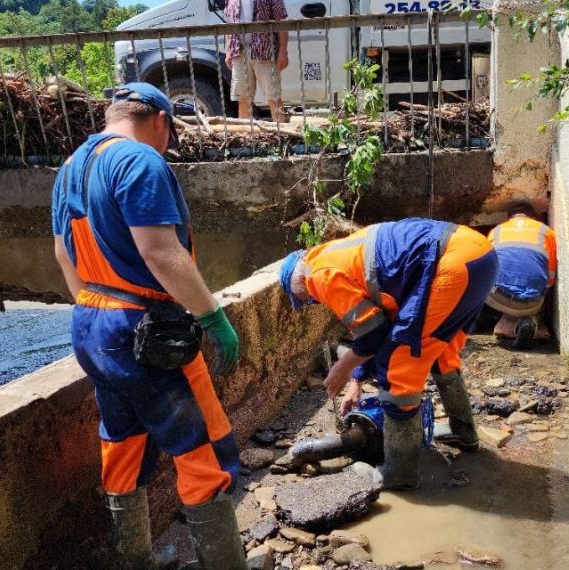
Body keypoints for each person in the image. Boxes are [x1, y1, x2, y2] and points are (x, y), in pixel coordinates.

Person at [51, 82, 245, 569]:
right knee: (203, 447)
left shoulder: (71, 168)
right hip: (145, 331)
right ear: (159, 120)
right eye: (170, 133)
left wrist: (99, 310)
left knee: (123, 442)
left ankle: (135, 560)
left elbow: (62, 253)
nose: (168, 144)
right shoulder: (140, 161)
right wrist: (211, 317)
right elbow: (160, 252)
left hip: (91, 324)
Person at [278, 218, 498, 490]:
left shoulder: (316, 276)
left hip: (448, 264)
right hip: (479, 253)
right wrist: (357, 382)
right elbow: (381, 324)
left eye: (306, 298)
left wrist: (344, 367)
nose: (312, 301)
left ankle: (399, 473)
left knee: (399, 366)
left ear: (299, 279)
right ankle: (464, 432)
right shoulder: (334, 253)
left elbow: (373, 333)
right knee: (441, 352)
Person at [484, 197, 557, 350]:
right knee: (536, 290)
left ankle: (478, 322)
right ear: (533, 217)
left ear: (508, 217)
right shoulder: (547, 232)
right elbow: (550, 278)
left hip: (497, 300)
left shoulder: (496, 231)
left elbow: (486, 267)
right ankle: (530, 321)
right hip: (531, 303)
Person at [224, 0, 289, 123]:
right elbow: (229, 26)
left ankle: (282, 133)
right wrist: (228, 51)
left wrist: (283, 51)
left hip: (265, 51)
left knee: (273, 97)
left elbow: (281, 23)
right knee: (243, 99)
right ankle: (246, 136)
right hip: (239, 53)